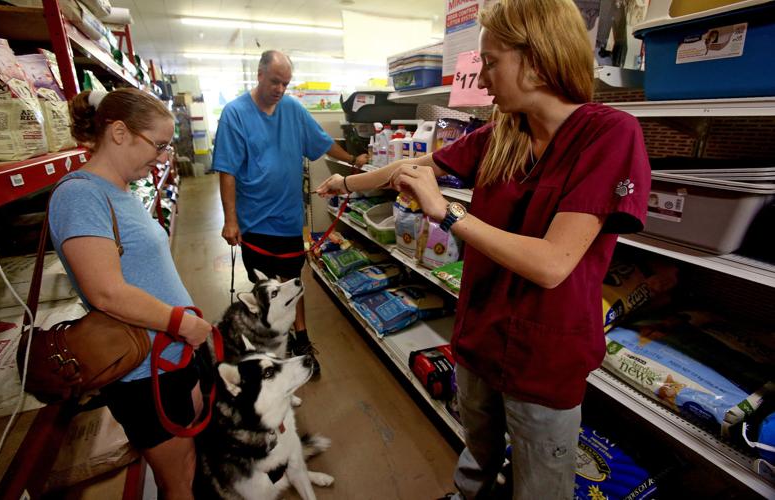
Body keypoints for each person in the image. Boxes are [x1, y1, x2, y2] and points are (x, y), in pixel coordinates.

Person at [316, 1, 650, 498]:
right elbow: (415, 167)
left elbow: (552, 264)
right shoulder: (502, 136)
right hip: (479, 338)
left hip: (545, 356)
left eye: (490, 62)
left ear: (535, 60)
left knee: (540, 484)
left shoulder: (609, 135)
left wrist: (450, 214)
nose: (483, 76)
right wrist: (345, 182)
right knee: (477, 454)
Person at [50, 88, 212, 500]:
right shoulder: (80, 195)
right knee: (179, 479)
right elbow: (106, 292)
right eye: (157, 145)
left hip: (170, 358)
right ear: (119, 132)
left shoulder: (119, 190)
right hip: (144, 373)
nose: (162, 157)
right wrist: (182, 323)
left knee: (189, 464)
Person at [211, 50, 367, 376]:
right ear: (259, 74)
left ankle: (301, 338)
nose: (280, 89)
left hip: (288, 218)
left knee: (293, 284)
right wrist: (230, 219)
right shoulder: (235, 114)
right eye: (274, 81)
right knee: (267, 290)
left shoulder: (293, 110)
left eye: (285, 83)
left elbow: (322, 142)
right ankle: (273, 346)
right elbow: (226, 170)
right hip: (254, 222)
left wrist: (354, 162)